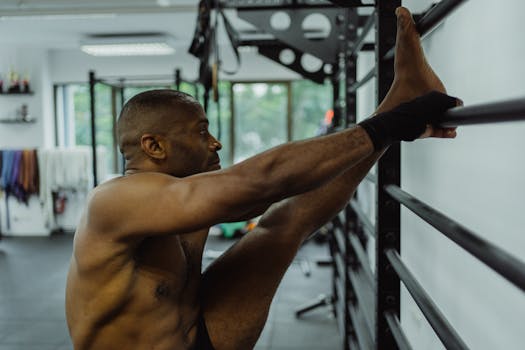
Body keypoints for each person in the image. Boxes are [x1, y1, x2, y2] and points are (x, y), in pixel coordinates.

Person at [65, 7, 460, 350]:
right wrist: (394, 124)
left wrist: (391, 123)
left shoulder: (182, 192)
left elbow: (263, 198)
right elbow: (260, 181)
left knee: (286, 219)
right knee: (274, 199)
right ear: (154, 147)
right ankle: (397, 108)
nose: (215, 142)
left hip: (198, 333)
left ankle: (402, 95)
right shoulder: (113, 202)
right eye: (201, 132)